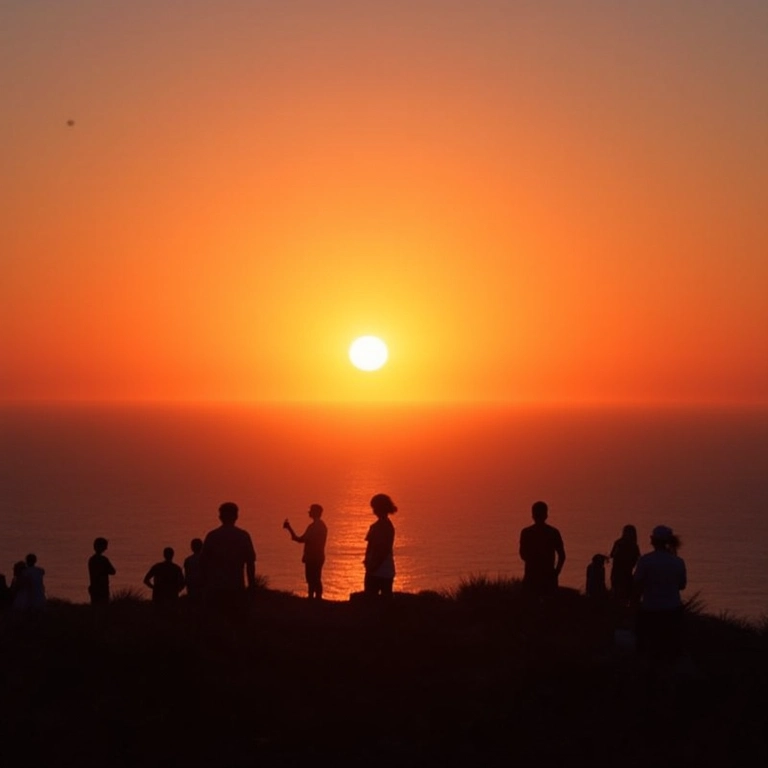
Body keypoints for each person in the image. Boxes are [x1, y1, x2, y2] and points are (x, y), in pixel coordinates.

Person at [633, 525, 687, 662]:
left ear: (653, 540)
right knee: (669, 647)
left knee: (649, 647)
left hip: (650, 609)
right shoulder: (678, 562)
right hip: (673, 610)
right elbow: (682, 585)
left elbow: (637, 584)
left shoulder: (645, 560)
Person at [199, 502, 257, 622]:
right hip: (236, 586)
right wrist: (251, 586)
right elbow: (250, 562)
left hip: (216, 587)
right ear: (236, 516)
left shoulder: (212, 536)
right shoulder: (243, 536)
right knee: (236, 622)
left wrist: (203, 586)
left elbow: (203, 563)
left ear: (220, 517)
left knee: (217, 623)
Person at [519, 501, 566, 596]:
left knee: (532, 606)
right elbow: (562, 555)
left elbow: (522, 554)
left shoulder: (526, 532)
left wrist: (556, 572)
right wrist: (556, 572)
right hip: (545, 576)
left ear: (532, 515)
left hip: (532, 576)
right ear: (546, 515)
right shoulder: (553, 532)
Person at [284, 504, 328, 600]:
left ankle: (314, 599)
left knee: (313, 579)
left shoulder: (314, 527)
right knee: (315, 578)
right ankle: (316, 599)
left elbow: (301, 539)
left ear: (315, 512)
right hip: (318, 556)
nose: (309, 512)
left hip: (313, 557)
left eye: (311, 510)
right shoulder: (322, 526)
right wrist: (289, 529)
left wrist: (289, 529)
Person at [363, 493, 397, 599]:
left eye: (374, 507)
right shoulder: (377, 526)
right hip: (377, 568)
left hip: (380, 570)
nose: (373, 510)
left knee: (375, 601)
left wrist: (373, 566)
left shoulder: (385, 527)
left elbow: (384, 550)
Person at [610, 524, 641, 601]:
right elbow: (637, 559)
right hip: (627, 572)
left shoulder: (618, 543)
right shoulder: (634, 546)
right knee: (625, 594)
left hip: (617, 572)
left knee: (617, 592)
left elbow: (612, 555)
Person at [88, 537, 116, 606]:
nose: (106, 548)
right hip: (103, 588)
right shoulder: (104, 560)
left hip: (94, 588)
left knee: (95, 607)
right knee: (104, 607)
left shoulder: (91, 560)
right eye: (105, 546)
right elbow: (113, 571)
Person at [183, 538, 204, 604]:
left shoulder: (188, 560)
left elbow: (186, 575)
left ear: (192, 547)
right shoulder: (207, 558)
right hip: (203, 586)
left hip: (192, 586)